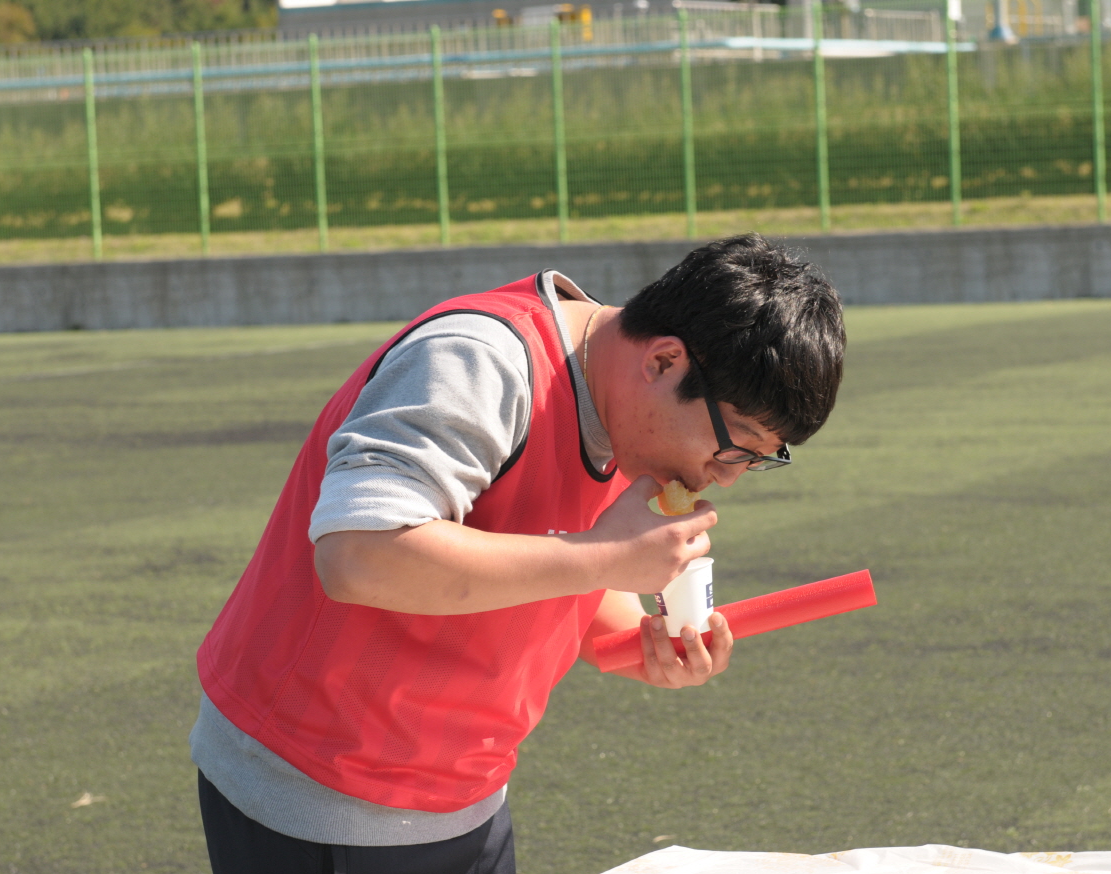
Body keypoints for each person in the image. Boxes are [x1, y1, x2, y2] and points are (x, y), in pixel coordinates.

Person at [190, 233, 847, 874]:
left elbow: (556, 564)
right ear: (664, 362)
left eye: (759, 458)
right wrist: (603, 557)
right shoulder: (477, 362)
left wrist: (647, 646)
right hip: (320, 793)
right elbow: (358, 555)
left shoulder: (625, 406)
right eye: (734, 445)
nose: (726, 476)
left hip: (463, 795)